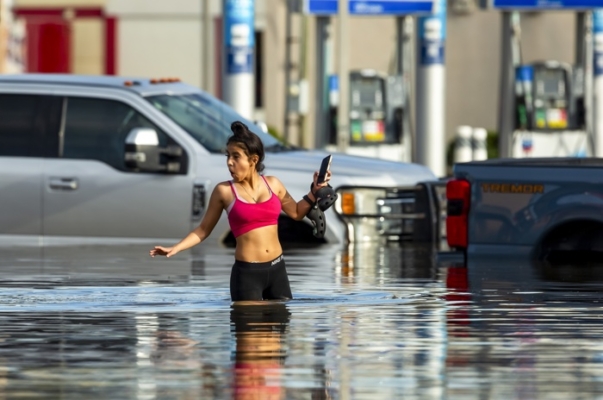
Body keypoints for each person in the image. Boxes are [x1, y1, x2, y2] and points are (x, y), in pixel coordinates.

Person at [150, 121, 331, 302]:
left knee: (279, 329)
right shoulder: (224, 191)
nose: (229, 162)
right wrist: (176, 248)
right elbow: (203, 229)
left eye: (236, 157)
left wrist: (314, 191)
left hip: (278, 271)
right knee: (250, 329)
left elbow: (297, 212)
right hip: (247, 275)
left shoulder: (273, 184)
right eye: (228, 156)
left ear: (253, 159)